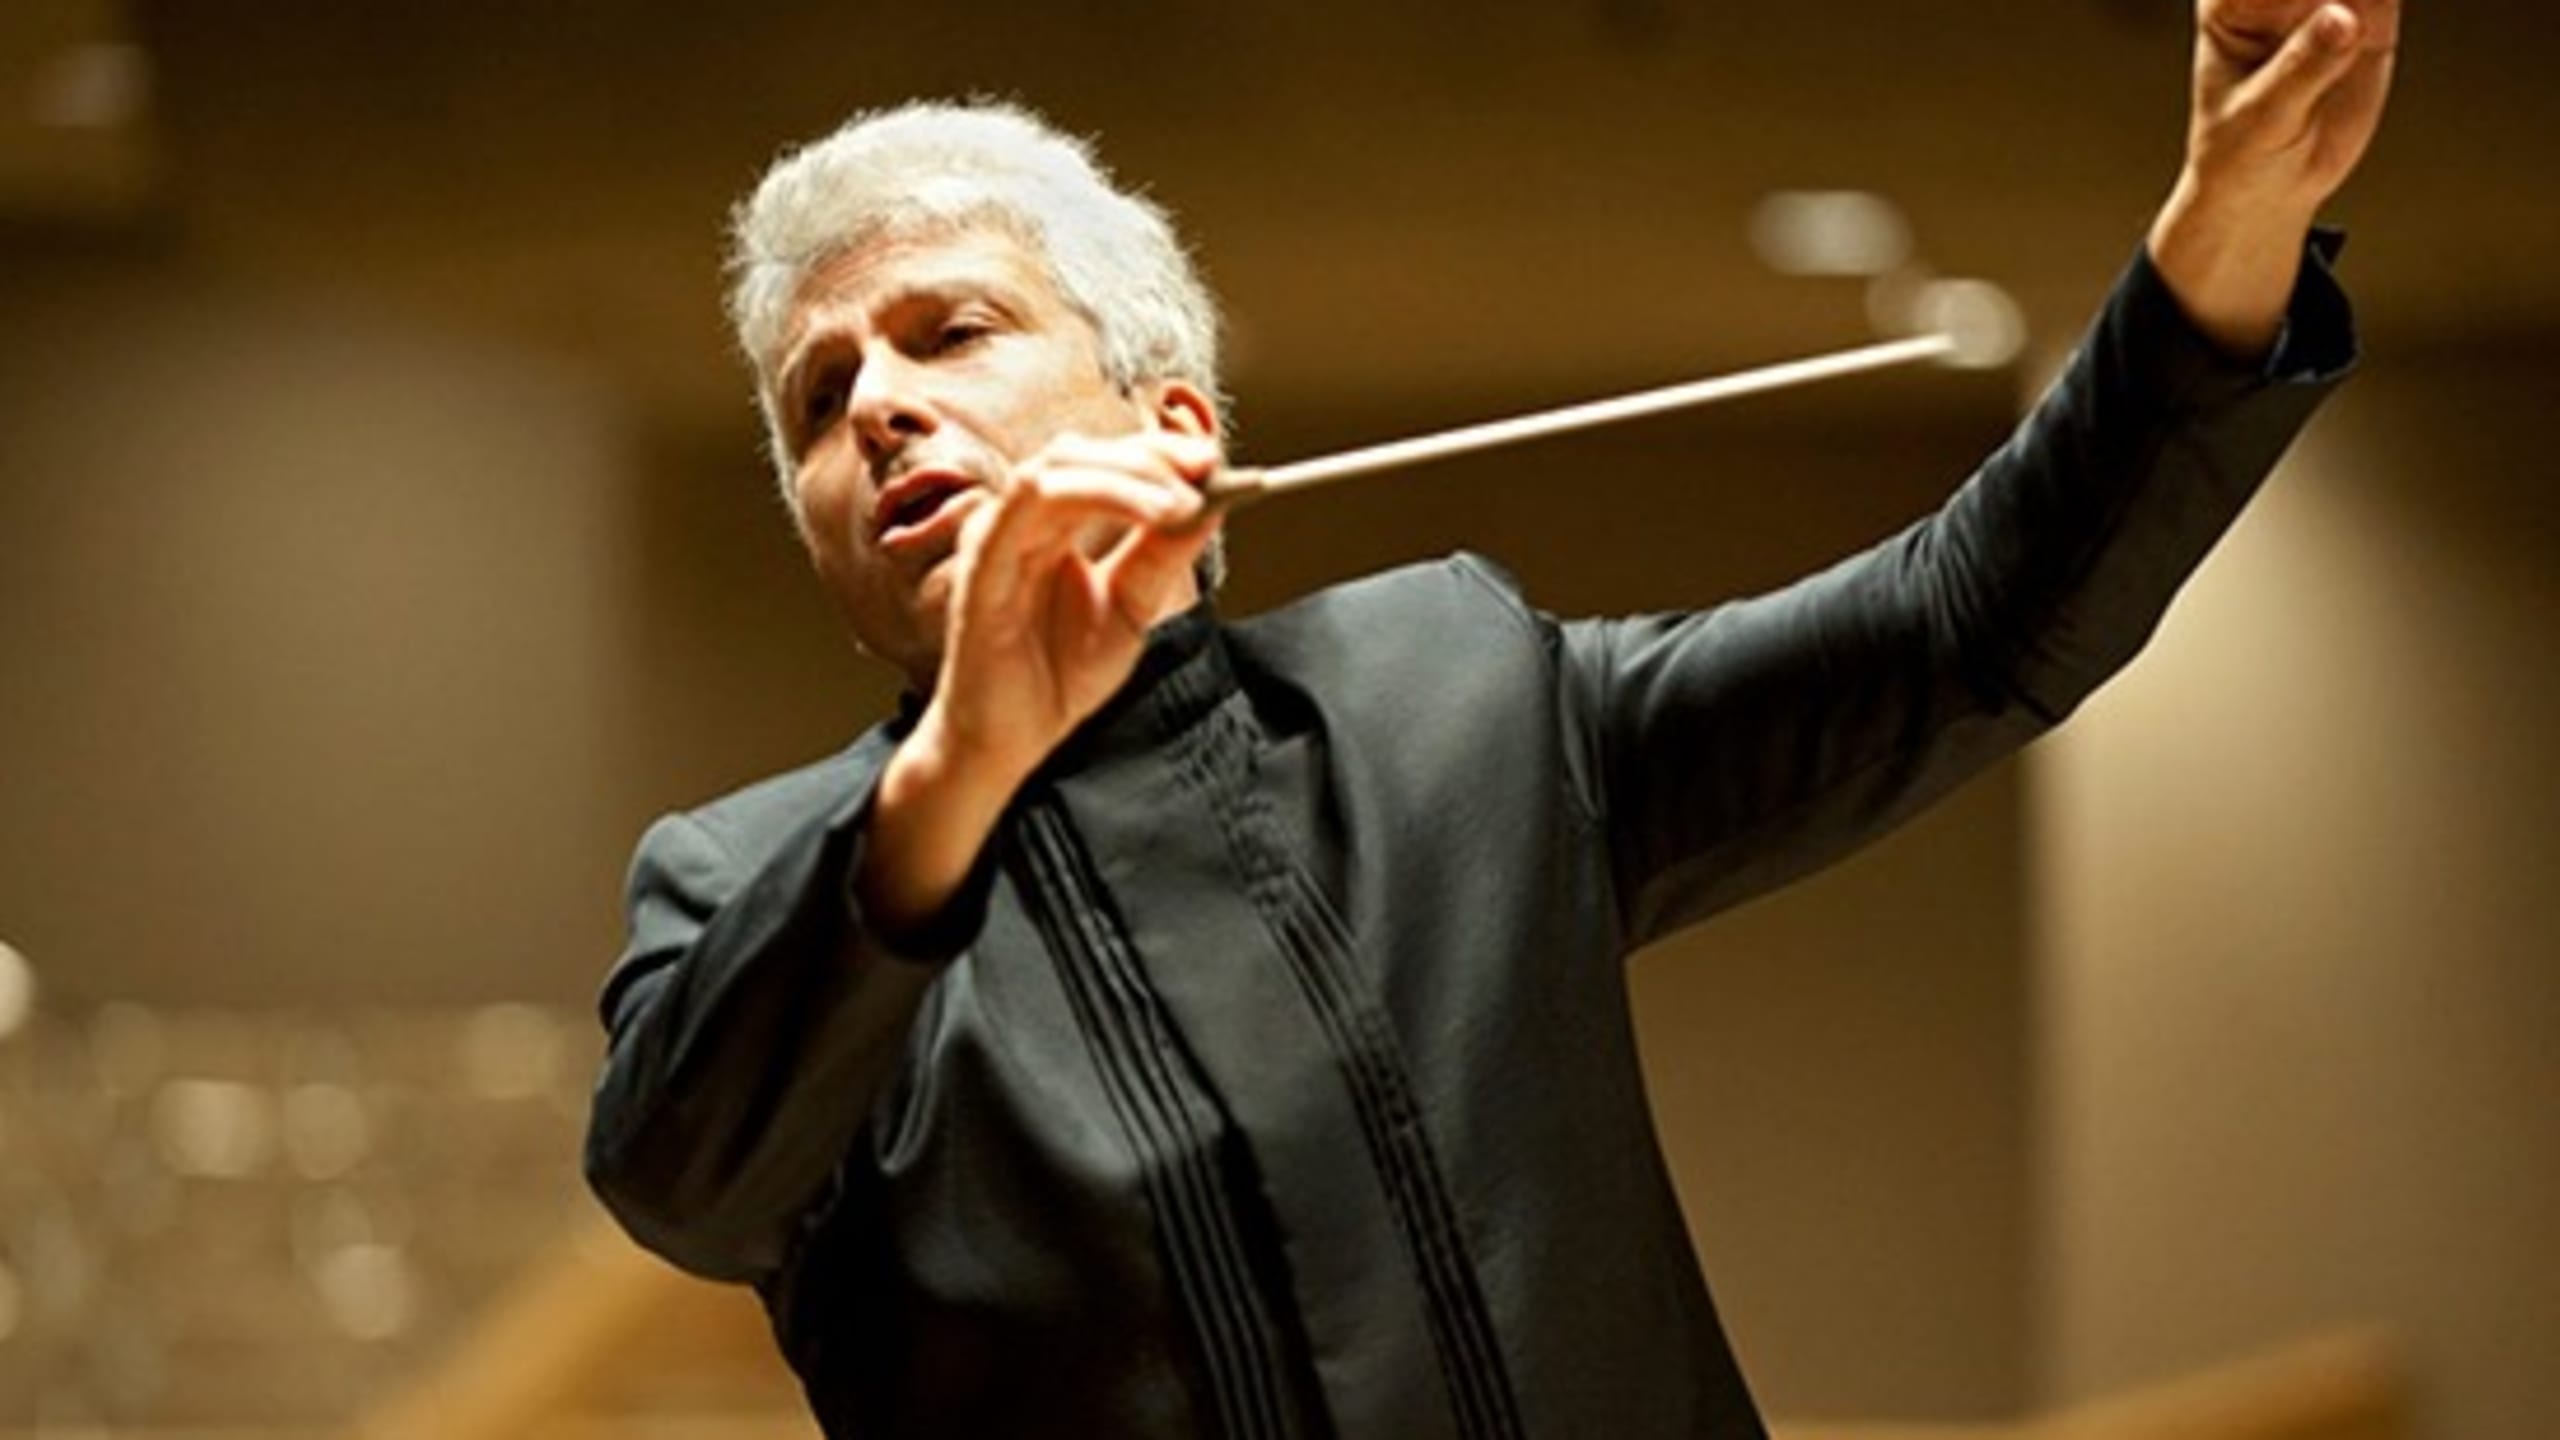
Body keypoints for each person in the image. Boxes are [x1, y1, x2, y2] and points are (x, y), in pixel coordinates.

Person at [584, 2, 2399, 1435]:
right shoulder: (747, 884)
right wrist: (960, 766)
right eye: (820, 399)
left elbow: (1968, 628)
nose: (878, 409)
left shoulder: (1449, 697)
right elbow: (684, 1186)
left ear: (1177, 430)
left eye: (951, 332)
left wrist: (2231, 215)